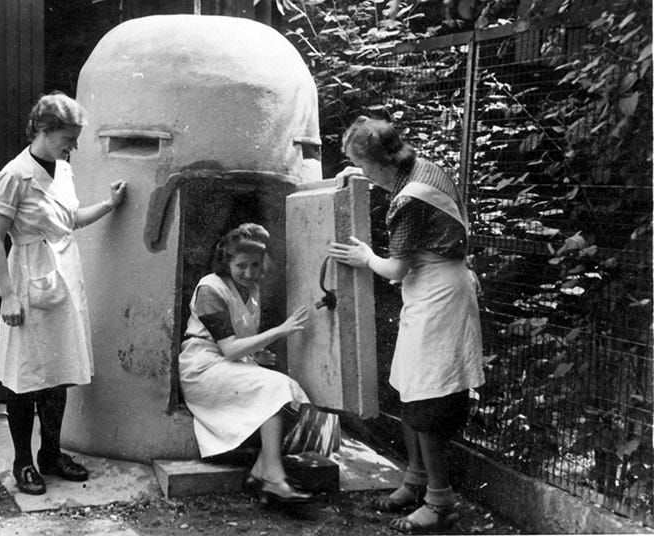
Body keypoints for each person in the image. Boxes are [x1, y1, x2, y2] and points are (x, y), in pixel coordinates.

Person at [329, 116, 484, 532]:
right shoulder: (421, 168)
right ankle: (416, 480)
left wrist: (365, 258)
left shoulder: (410, 200)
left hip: (439, 297)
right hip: (431, 290)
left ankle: (440, 502)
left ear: (380, 162)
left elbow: (396, 269)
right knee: (409, 386)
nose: (362, 172)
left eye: (361, 165)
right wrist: (354, 175)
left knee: (427, 395)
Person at [0, 91, 127, 495]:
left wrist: (108, 204)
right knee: (25, 377)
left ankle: (50, 453)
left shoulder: (63, 170)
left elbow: (69, 220)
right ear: (44, 130)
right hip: (28, 281)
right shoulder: (14, 176)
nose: (73, 146)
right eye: (68, 138)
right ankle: (23, 462)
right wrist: (7, 295)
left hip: (64, 279)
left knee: (58, 374)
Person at [179, 223, 313, 504]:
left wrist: (254, 357)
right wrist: (280, 331)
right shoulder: (210, 288)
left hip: (226, 364)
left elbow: (237, 341)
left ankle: (262, 470)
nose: (249, 273)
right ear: (226, 261)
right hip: (202, 368)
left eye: (255, 265)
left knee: (294, 394)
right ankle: (273, 478)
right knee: (277, 387)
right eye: (241, 265)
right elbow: (229, 349)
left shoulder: (252, 289)